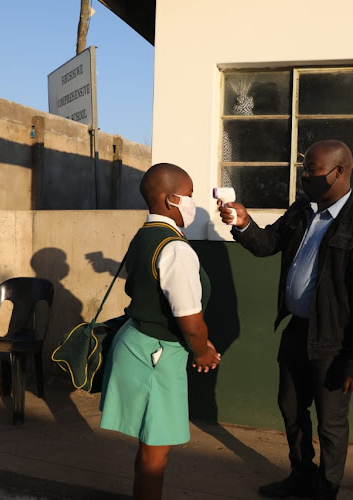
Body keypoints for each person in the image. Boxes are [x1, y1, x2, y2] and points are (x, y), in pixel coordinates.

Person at [219, 140, 353, 499]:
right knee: (291, 408)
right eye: (305, 169)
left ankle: (326, 487)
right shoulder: (302, 212)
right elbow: (267, 244)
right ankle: (301, 474)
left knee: (330, 422)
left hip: (333, 340)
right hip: (297, 331)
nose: (306, 176)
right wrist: (243, 222)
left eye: (313, 170)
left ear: (340, 171)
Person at [100, 163, 221, 500]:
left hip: (138, 342)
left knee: (149, 447)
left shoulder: (144, 236)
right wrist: (202, 351)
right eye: (190, 195)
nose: (192, 203)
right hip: (157, 356)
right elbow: (189, 318)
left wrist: (196, 343)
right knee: (156, 454)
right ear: (171, 199)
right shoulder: (176, 249)